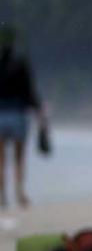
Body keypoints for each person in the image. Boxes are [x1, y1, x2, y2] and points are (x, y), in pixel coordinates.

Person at [0, 27, 47, 209]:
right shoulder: (21, 64)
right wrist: (39, 110)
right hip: (18, 114)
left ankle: (2, 195)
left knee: (1, 158)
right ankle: (19, 193)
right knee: (19, 158)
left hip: (0, 114)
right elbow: (29, 92)